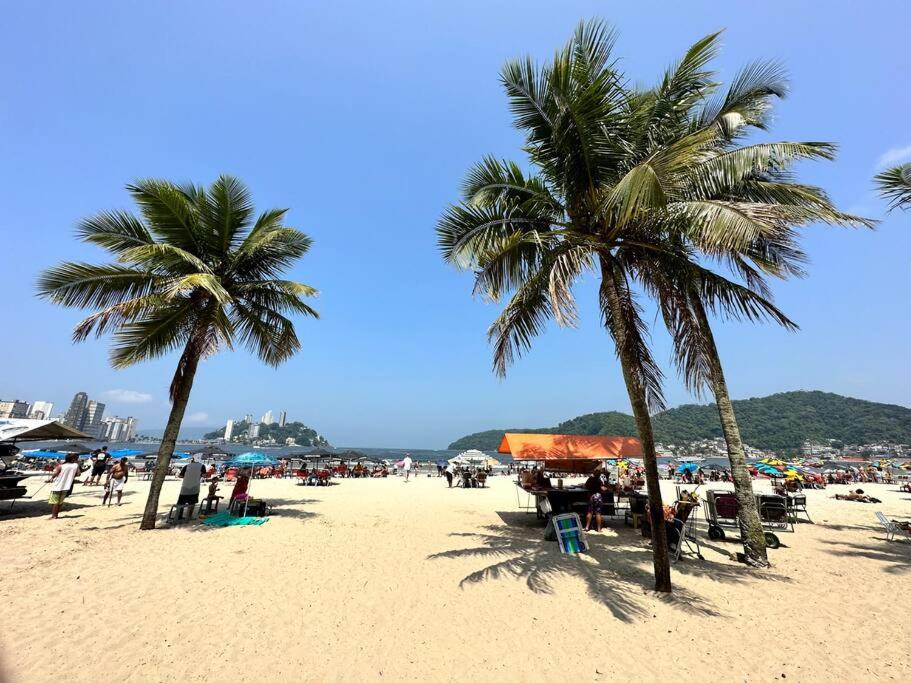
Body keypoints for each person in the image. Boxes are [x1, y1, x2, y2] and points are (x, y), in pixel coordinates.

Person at [48, 453, 81, 519]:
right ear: (73, 459)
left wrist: (51, 478)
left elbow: (55, 473)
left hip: (58, 485)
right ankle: (56, 514)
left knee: (54, 502)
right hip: (67, 486)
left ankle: (54, 515)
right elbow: (78, 474)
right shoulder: (75, 465)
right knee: (60, 501)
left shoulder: (61, 466)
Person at [584, 468, 607, 532]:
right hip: (598, 497)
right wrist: (606, 488)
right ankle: (599, 529)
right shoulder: (599, 480)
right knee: (598, 513)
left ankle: (587, 527)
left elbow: (585, 486)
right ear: (599, 475)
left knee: (589, 512)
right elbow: (602, 488)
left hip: (591, 496)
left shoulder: (590, 479)